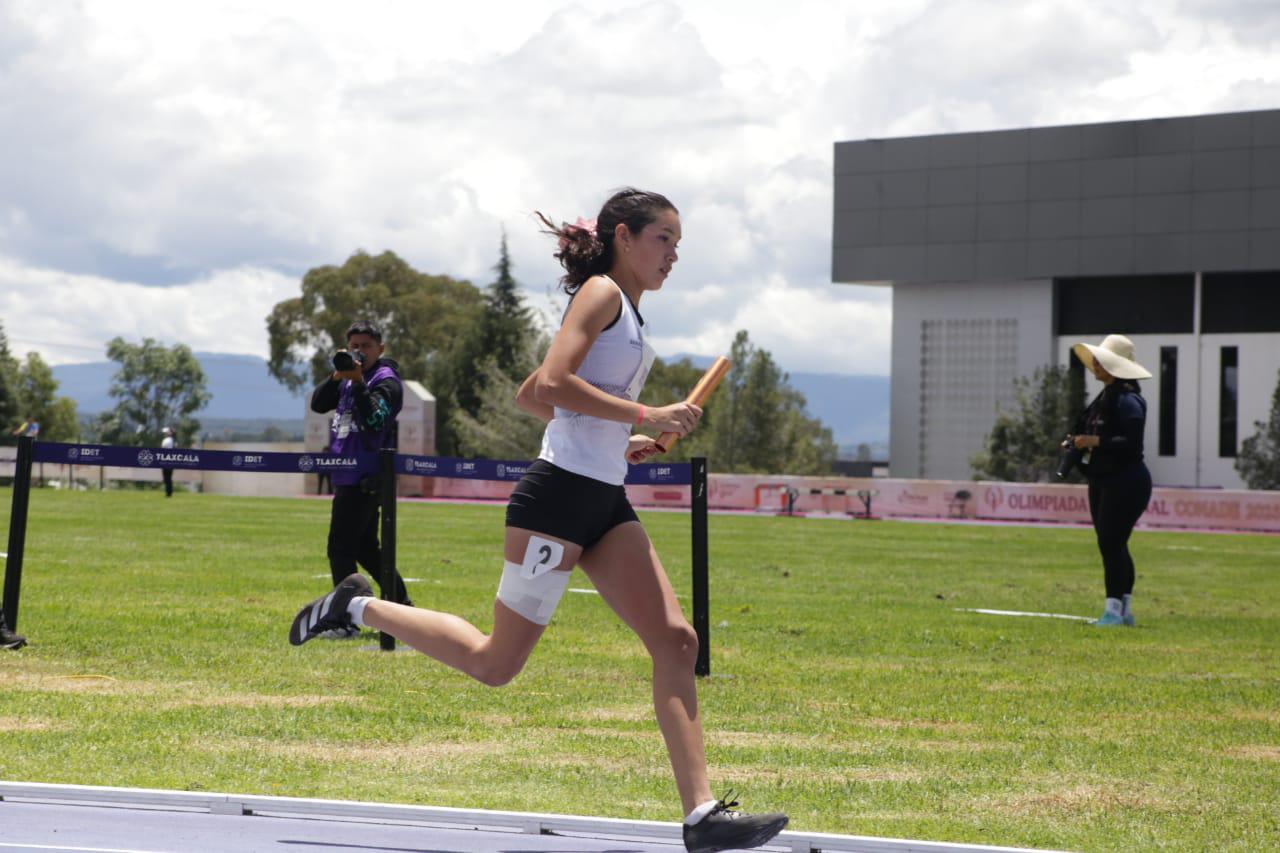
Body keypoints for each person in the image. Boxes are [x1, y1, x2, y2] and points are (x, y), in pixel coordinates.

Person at [288, 189, 788, 853]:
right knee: (495, 663)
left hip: (603, 499)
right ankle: (355, 607)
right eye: (663, 238)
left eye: (677, 241)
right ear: (623, 236)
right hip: (556, 501)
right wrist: (646, 414)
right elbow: (551, 382)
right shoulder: (602, 294)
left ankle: (702, 817)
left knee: (677, 642)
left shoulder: (628, 311)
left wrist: (619, 438)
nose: (674, 253)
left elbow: (532, 395)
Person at [309, 320, 413, 635]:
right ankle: (403, 607)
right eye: (354, 345)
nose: (360, 351)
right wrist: (338, 376)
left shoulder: (387, 381)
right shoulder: (348, 378)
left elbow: (374, 421)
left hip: (364, 478)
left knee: (340, 549)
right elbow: (318, 404)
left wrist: (358, 384)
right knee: (367, 549)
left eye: (366, 346)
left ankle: (345, 621)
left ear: (380, 348)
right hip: (347, 474)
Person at [1069, 334, 1153, 627]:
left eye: (1102, 361)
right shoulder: (1104, 398)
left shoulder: (1129, 400)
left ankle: (1113, 610)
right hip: (1103, 479)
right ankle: (1122, 609)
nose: (1095, 364)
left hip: (1126, 481)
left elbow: (1131, 443)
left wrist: (1096, 441)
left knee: (1111, 542)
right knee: (1113, 543)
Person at [160, 427, 175, 497]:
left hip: (166, 460)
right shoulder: (171, 440)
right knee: (168, 477)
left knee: (167, 477)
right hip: (169, 460)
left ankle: (168, 493)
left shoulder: (167, 440)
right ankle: (168, 492)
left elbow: (163, 448)